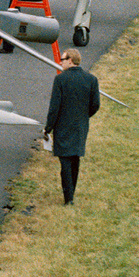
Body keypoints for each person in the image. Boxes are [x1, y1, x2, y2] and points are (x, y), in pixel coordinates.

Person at [44, 47, 101, 205]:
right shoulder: (91, 80)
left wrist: (48, 127)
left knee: (65, 163)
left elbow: (54, 107)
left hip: (63, 126)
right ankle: (71, 193)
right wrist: (83, 116)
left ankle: (68, 197)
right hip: (80, 127)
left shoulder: (61, 80)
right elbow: (95, 105)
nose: (60, 62)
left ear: (70, 60)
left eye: (62, 59)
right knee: (75, 159)